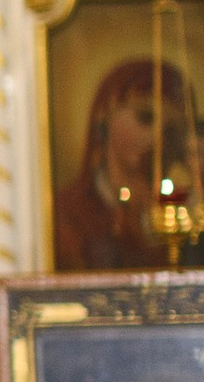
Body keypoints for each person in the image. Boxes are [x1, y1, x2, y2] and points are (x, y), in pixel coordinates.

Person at [53, 54, 197, 272]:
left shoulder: (186, 211)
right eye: (145, 118)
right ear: (104, 118)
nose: (158, 140)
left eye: (171, 130)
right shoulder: (71, 213)